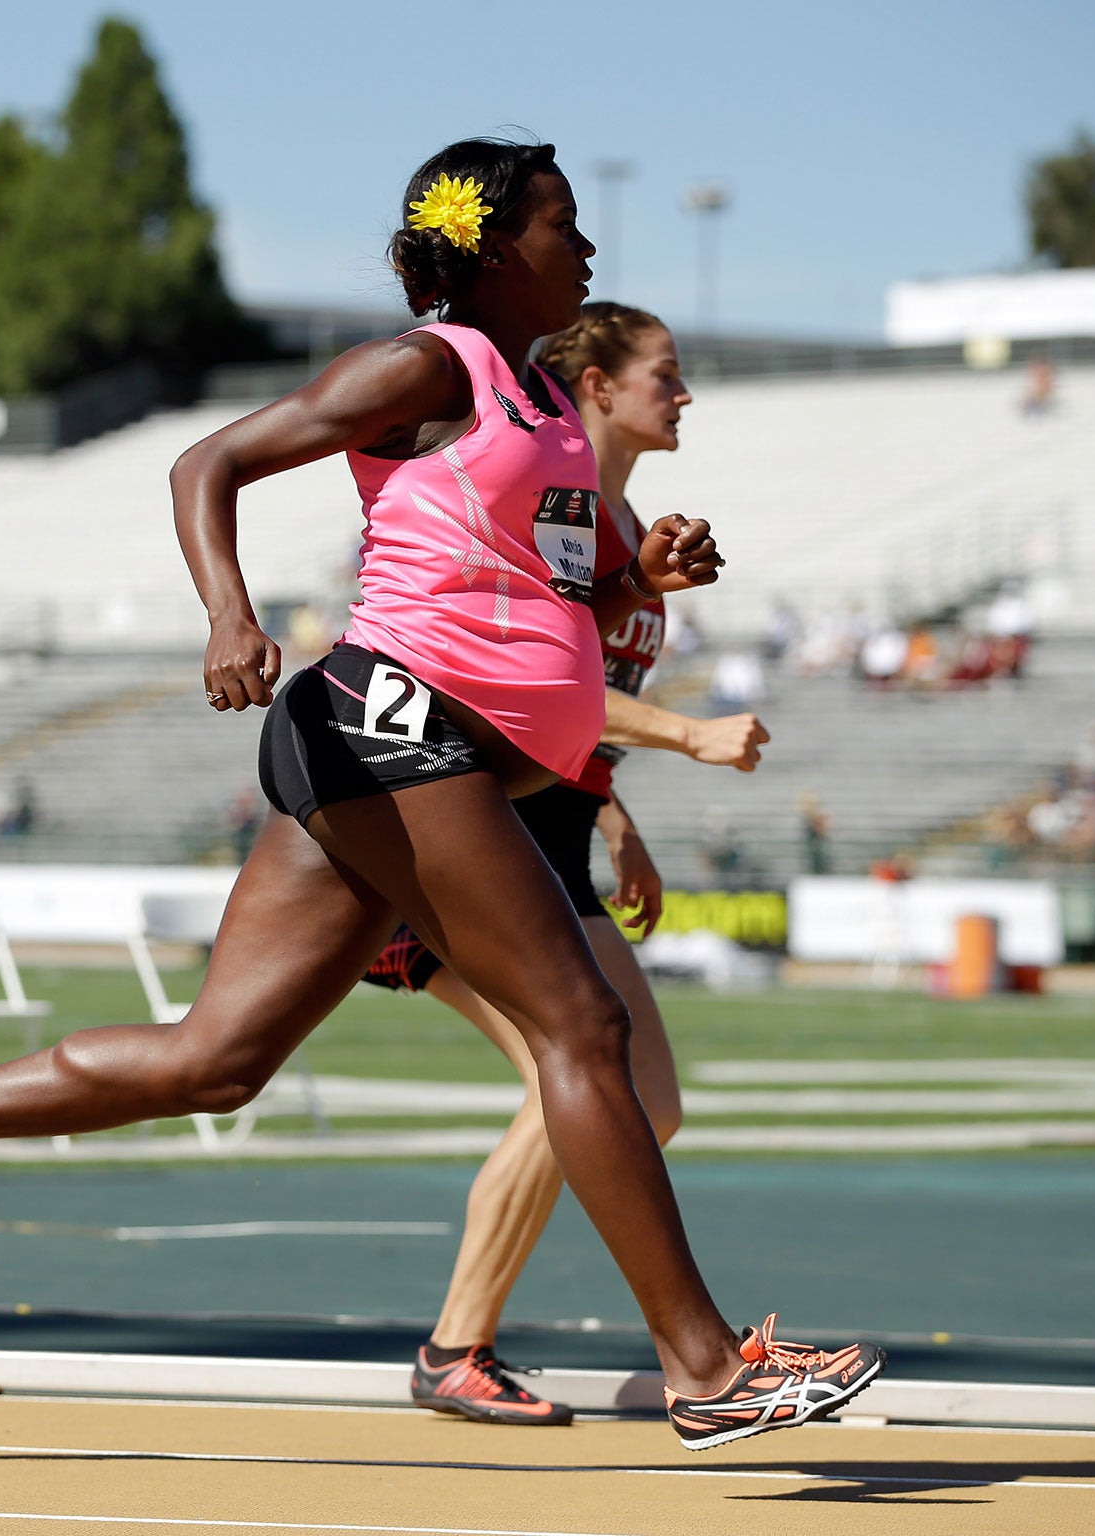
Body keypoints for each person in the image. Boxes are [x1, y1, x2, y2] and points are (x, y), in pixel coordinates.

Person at [0, 139, 883, 1451]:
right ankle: (708, 1368)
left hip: (419, 760)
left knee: (214, 1063)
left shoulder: (545, 408)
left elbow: (535, 601)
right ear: (494, 244)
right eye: (565, 225)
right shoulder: (427, 365)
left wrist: (639, 585)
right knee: (582, 1026)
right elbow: (207, 465)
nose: (586, 251)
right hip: (389, 728)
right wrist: (229, 618)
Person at [357, 301, 772, 1426]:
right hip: (461, 827)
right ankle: (462, 1347)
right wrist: (688, 736)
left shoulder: (624, 519)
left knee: (643, 1094)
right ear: (595, 385)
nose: (681, 394)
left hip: (552, 832)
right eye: (664, 375)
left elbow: (585, 712)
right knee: (583, 1073)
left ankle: (478, 1345)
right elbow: (526, 683)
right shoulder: (555, 503)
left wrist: (613, 818)